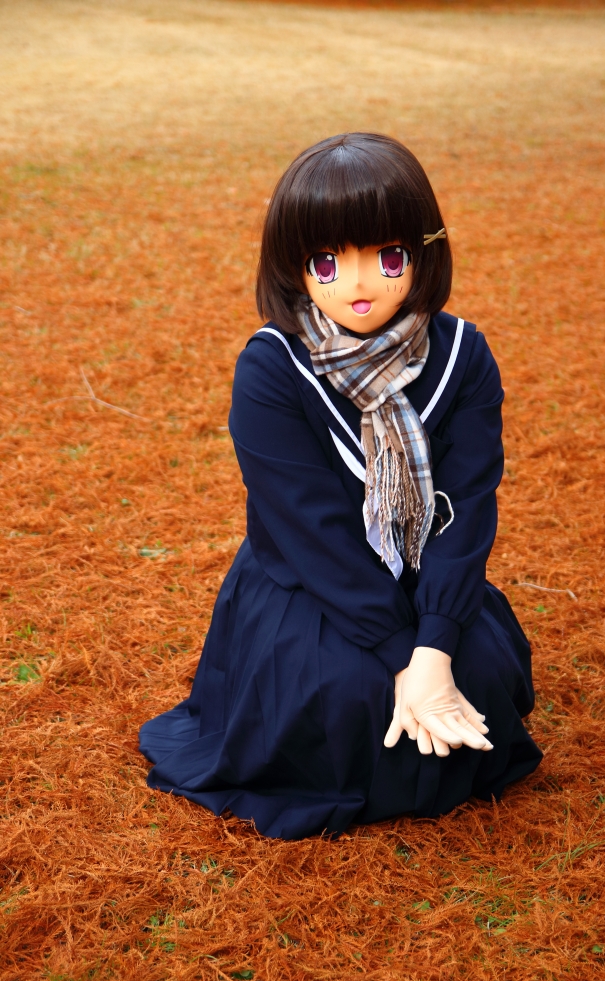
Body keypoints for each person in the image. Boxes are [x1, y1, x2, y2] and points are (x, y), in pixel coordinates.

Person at [139, 132, 542, 840]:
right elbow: (309, 528)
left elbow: (467, 506)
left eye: (387, 257)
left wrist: (434, 647)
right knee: (346, 692)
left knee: (475, 673)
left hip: (425, 576)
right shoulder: (271, 366)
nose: (358, 284)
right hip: (309, 582)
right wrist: (401, 658)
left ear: (423, 253)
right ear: (294, 264)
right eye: (327, 262)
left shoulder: (463, 354)